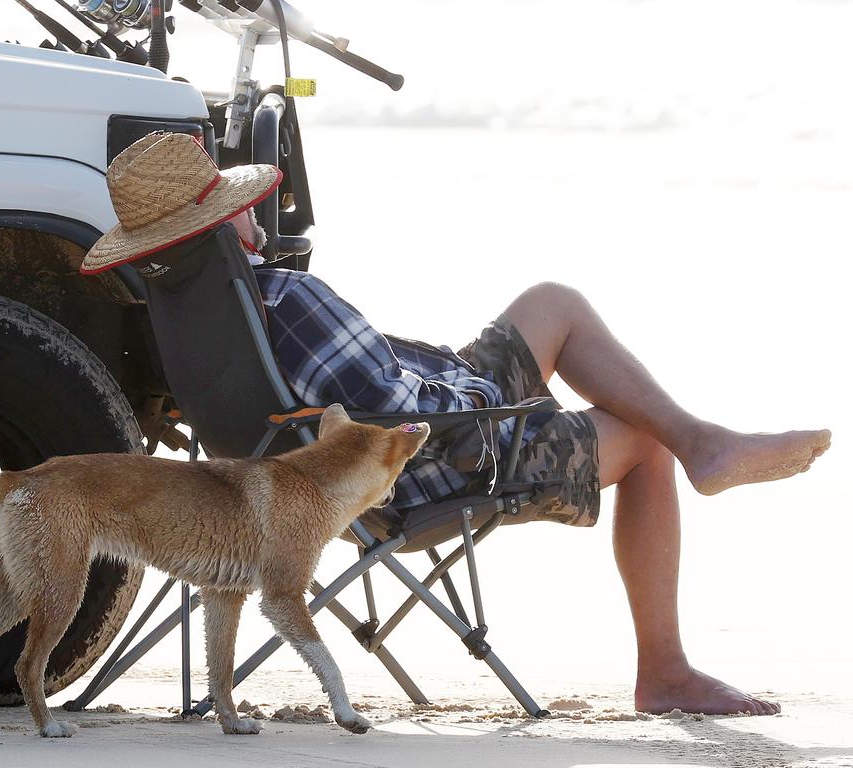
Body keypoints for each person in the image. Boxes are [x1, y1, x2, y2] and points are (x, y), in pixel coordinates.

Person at [82, 132, 832, 717]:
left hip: (312, 466)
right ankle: (666, 664)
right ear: (224, 226)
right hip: (423, 467)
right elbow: (406, 425)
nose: (252, 212)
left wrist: (460, 375)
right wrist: (496, 401)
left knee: (552, 302)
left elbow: (363, 390)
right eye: (237, 204)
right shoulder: (286, 299)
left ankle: (704, 441)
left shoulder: (187, 316)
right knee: (641, 441)